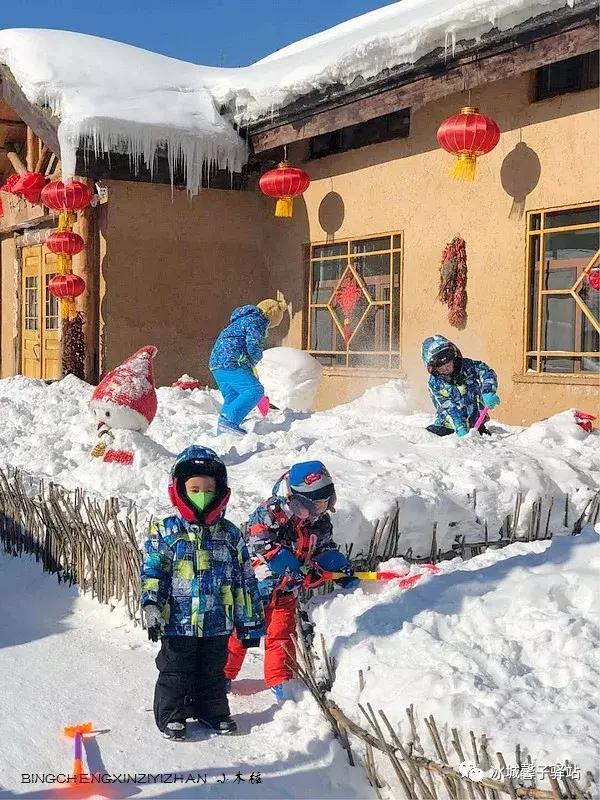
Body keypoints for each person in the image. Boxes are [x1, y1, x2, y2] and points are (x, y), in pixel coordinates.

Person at [140, 446, 265, 741]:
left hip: (217, 622)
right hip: (178, 621)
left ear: (220, 491)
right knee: (175, 671)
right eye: (194, 488)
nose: (202, 494)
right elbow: (153, 571)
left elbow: (244, 580)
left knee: (213, 672)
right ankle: (173, 714)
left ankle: (213, 711)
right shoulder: (166, 532)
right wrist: (151, 605)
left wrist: (249, 623)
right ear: (179, 491)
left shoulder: (230, 534)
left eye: (209, 488)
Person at [225, 461, 357, 702]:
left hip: (286, 592)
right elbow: (258, 540)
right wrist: (285, 561)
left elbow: (322, 546)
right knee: (240, 635)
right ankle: (220, 674)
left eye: (325, 502)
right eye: (315, 504)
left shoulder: (320, 521)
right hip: (254, 590)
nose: (321, 509)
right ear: (297, 500)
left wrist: (335, 563)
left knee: (282, 635)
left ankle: (281, 679)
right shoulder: (271, 512)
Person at [209, 300, 287, 435]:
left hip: (217, 363)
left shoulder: (241, 320)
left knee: (233, 396)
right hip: (232, 361)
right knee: (254, 390)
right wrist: (254, 359)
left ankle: (224, 431)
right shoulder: (257, 321)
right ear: (270, 316)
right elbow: (253, 344)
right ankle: (229, 421)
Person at [421, 335, 500, 437]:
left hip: (476, 421)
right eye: (441, 368)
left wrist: (488, 391)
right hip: (448, 425)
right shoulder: (435, 384)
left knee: (484, 442)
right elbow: (448, 406)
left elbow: (486, 372)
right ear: (434, 369)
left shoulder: (468, 367)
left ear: (454, 359)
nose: (446, 369)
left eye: (449, 365)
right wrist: (459, 426)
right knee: (432, 437)